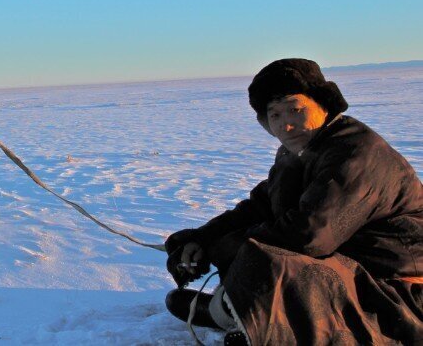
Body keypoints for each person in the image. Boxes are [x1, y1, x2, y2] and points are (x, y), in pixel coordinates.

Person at [164, 58, 422, 345]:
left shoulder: (356, 154)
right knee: (260, 249)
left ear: (324, 104)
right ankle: (239, 314)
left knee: (273, 258)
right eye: (274, 115)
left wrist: (227, 246)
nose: (285, 125)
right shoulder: (301, 150)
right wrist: (205, 237)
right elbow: (263, 204)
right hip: (356, 273)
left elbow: (310, 236)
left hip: (397, 291)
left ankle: (244, 319)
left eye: (295, 109)